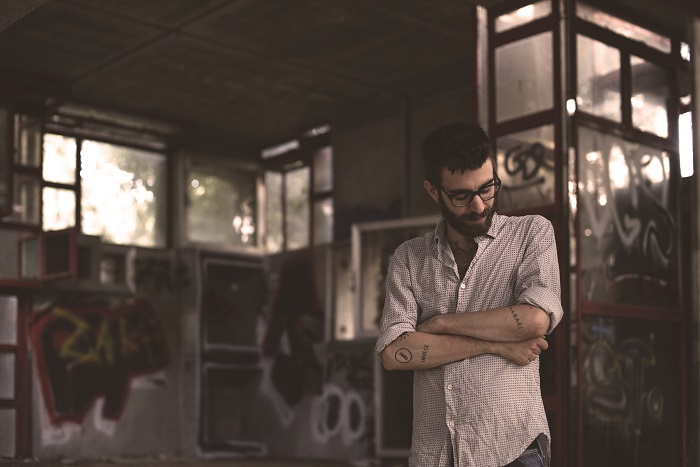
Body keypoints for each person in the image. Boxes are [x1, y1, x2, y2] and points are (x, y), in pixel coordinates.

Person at [375, 121, 563, 467]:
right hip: (436, 455)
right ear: (434, 192)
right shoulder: (409, 258)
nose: (479, 206)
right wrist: (498, 345)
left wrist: (441, 324)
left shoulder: (532, 234)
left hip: (512, 449)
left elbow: (536, 320)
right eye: (461, 196)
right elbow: (394, 353)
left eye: (487, 188)